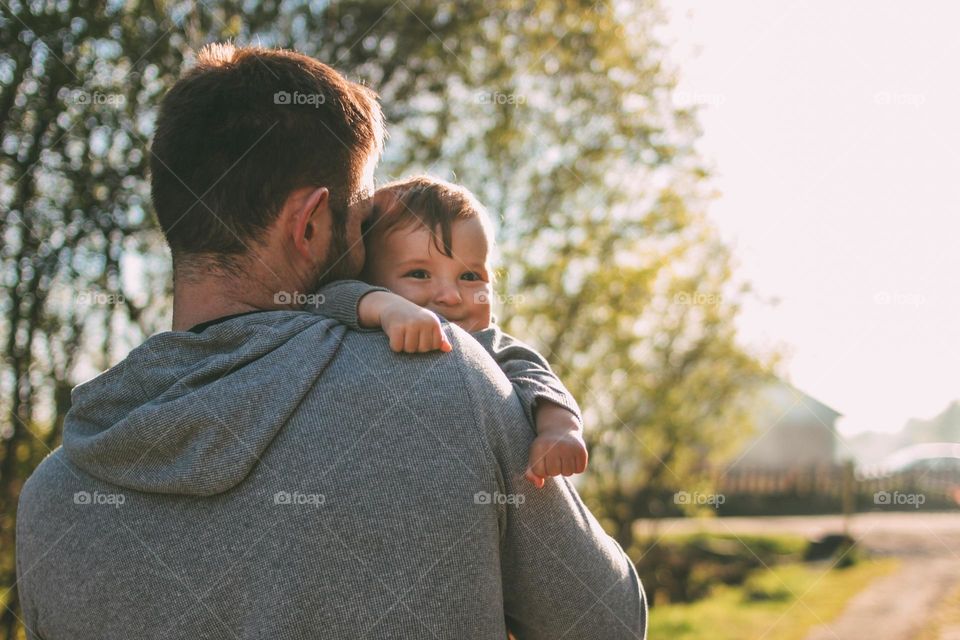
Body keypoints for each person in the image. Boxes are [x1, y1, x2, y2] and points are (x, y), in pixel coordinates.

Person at [15, 43, 647, 639]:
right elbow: (608, 622)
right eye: (363, 216)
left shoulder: (52, 499)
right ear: (311, 222)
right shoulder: (445, 380)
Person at [313, 175, 588, 488]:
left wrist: (559, 431)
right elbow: (325, 299)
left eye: (470, 276)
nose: (451, 296)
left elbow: (537, 379)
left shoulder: (488, 343)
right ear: (370, 278)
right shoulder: (369, 315)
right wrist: (384, 307)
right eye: (419, 274)